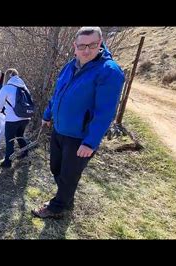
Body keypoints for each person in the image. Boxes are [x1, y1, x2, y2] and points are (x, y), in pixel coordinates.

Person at [32, 27, 125, 219]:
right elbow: (57, 94)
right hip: (60, 129)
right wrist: (48, 114)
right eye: (82, 45)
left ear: (100, 44)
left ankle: (57, 208)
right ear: (75, 46)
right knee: (55, 168)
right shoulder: (70, 66)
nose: (86, 50)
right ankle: (67, 198)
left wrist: (90, 142)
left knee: (68, 175)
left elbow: (105, 112)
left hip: (80, 137)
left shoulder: (108, 71)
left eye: (91, 45)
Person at [0, 68, 32, 168]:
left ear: (7, 77)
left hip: (12, 120)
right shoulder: (24, 86)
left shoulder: (6, 88)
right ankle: (25, 154)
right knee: (20, 135)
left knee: (10, 140)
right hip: (25, 117)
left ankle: (7, 162)